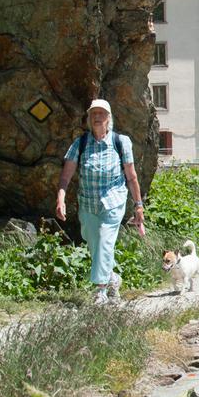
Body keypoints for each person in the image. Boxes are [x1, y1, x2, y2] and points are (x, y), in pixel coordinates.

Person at [56, 99, 144, 305]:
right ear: (89, 118)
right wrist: (61, 198)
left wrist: (138, 205)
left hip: (113, 201)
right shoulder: (81, 143)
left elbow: (131, 178)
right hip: (87, 203)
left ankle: (100, 291)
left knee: (105, 240)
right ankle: (113, 278)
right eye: (93, 114)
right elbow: (65, 176)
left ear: (109, 118)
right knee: (93, 243)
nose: (97, 117)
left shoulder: (121, 142)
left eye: (101, 114)